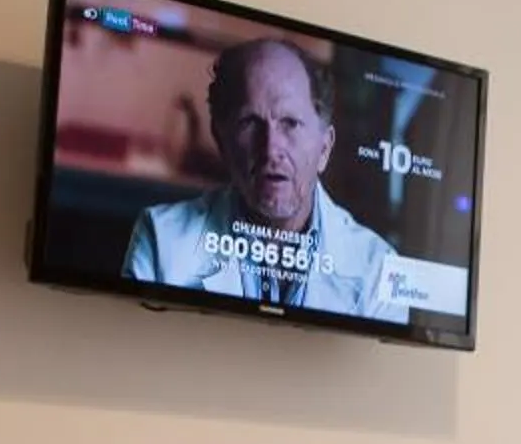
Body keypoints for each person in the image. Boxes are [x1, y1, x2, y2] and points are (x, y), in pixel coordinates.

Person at [123, 38, 408, 319]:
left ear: (324, 148)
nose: (271, 149)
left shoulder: (380, 273)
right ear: (221, 141)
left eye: (290, 123)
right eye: (250, 123)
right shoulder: (161, 241)